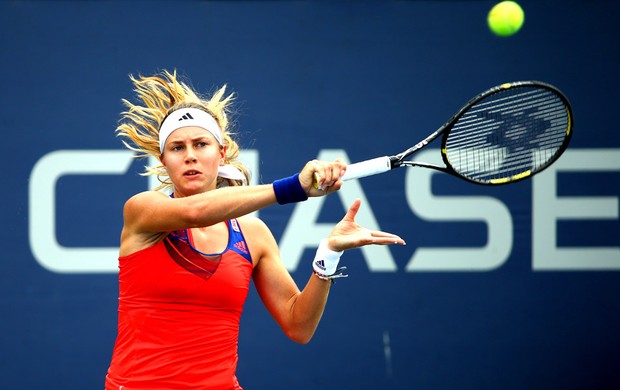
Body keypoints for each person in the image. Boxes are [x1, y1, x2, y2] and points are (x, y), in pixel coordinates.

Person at [105, 70, 405, 389]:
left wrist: (328, 255)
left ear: (220, 153)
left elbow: (298, 325)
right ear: (163, 160)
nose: (190, 155)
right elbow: (194, 212)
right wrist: (294, 188)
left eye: (201, 144)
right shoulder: (142, 211)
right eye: (177, 148)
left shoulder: (253, 235)